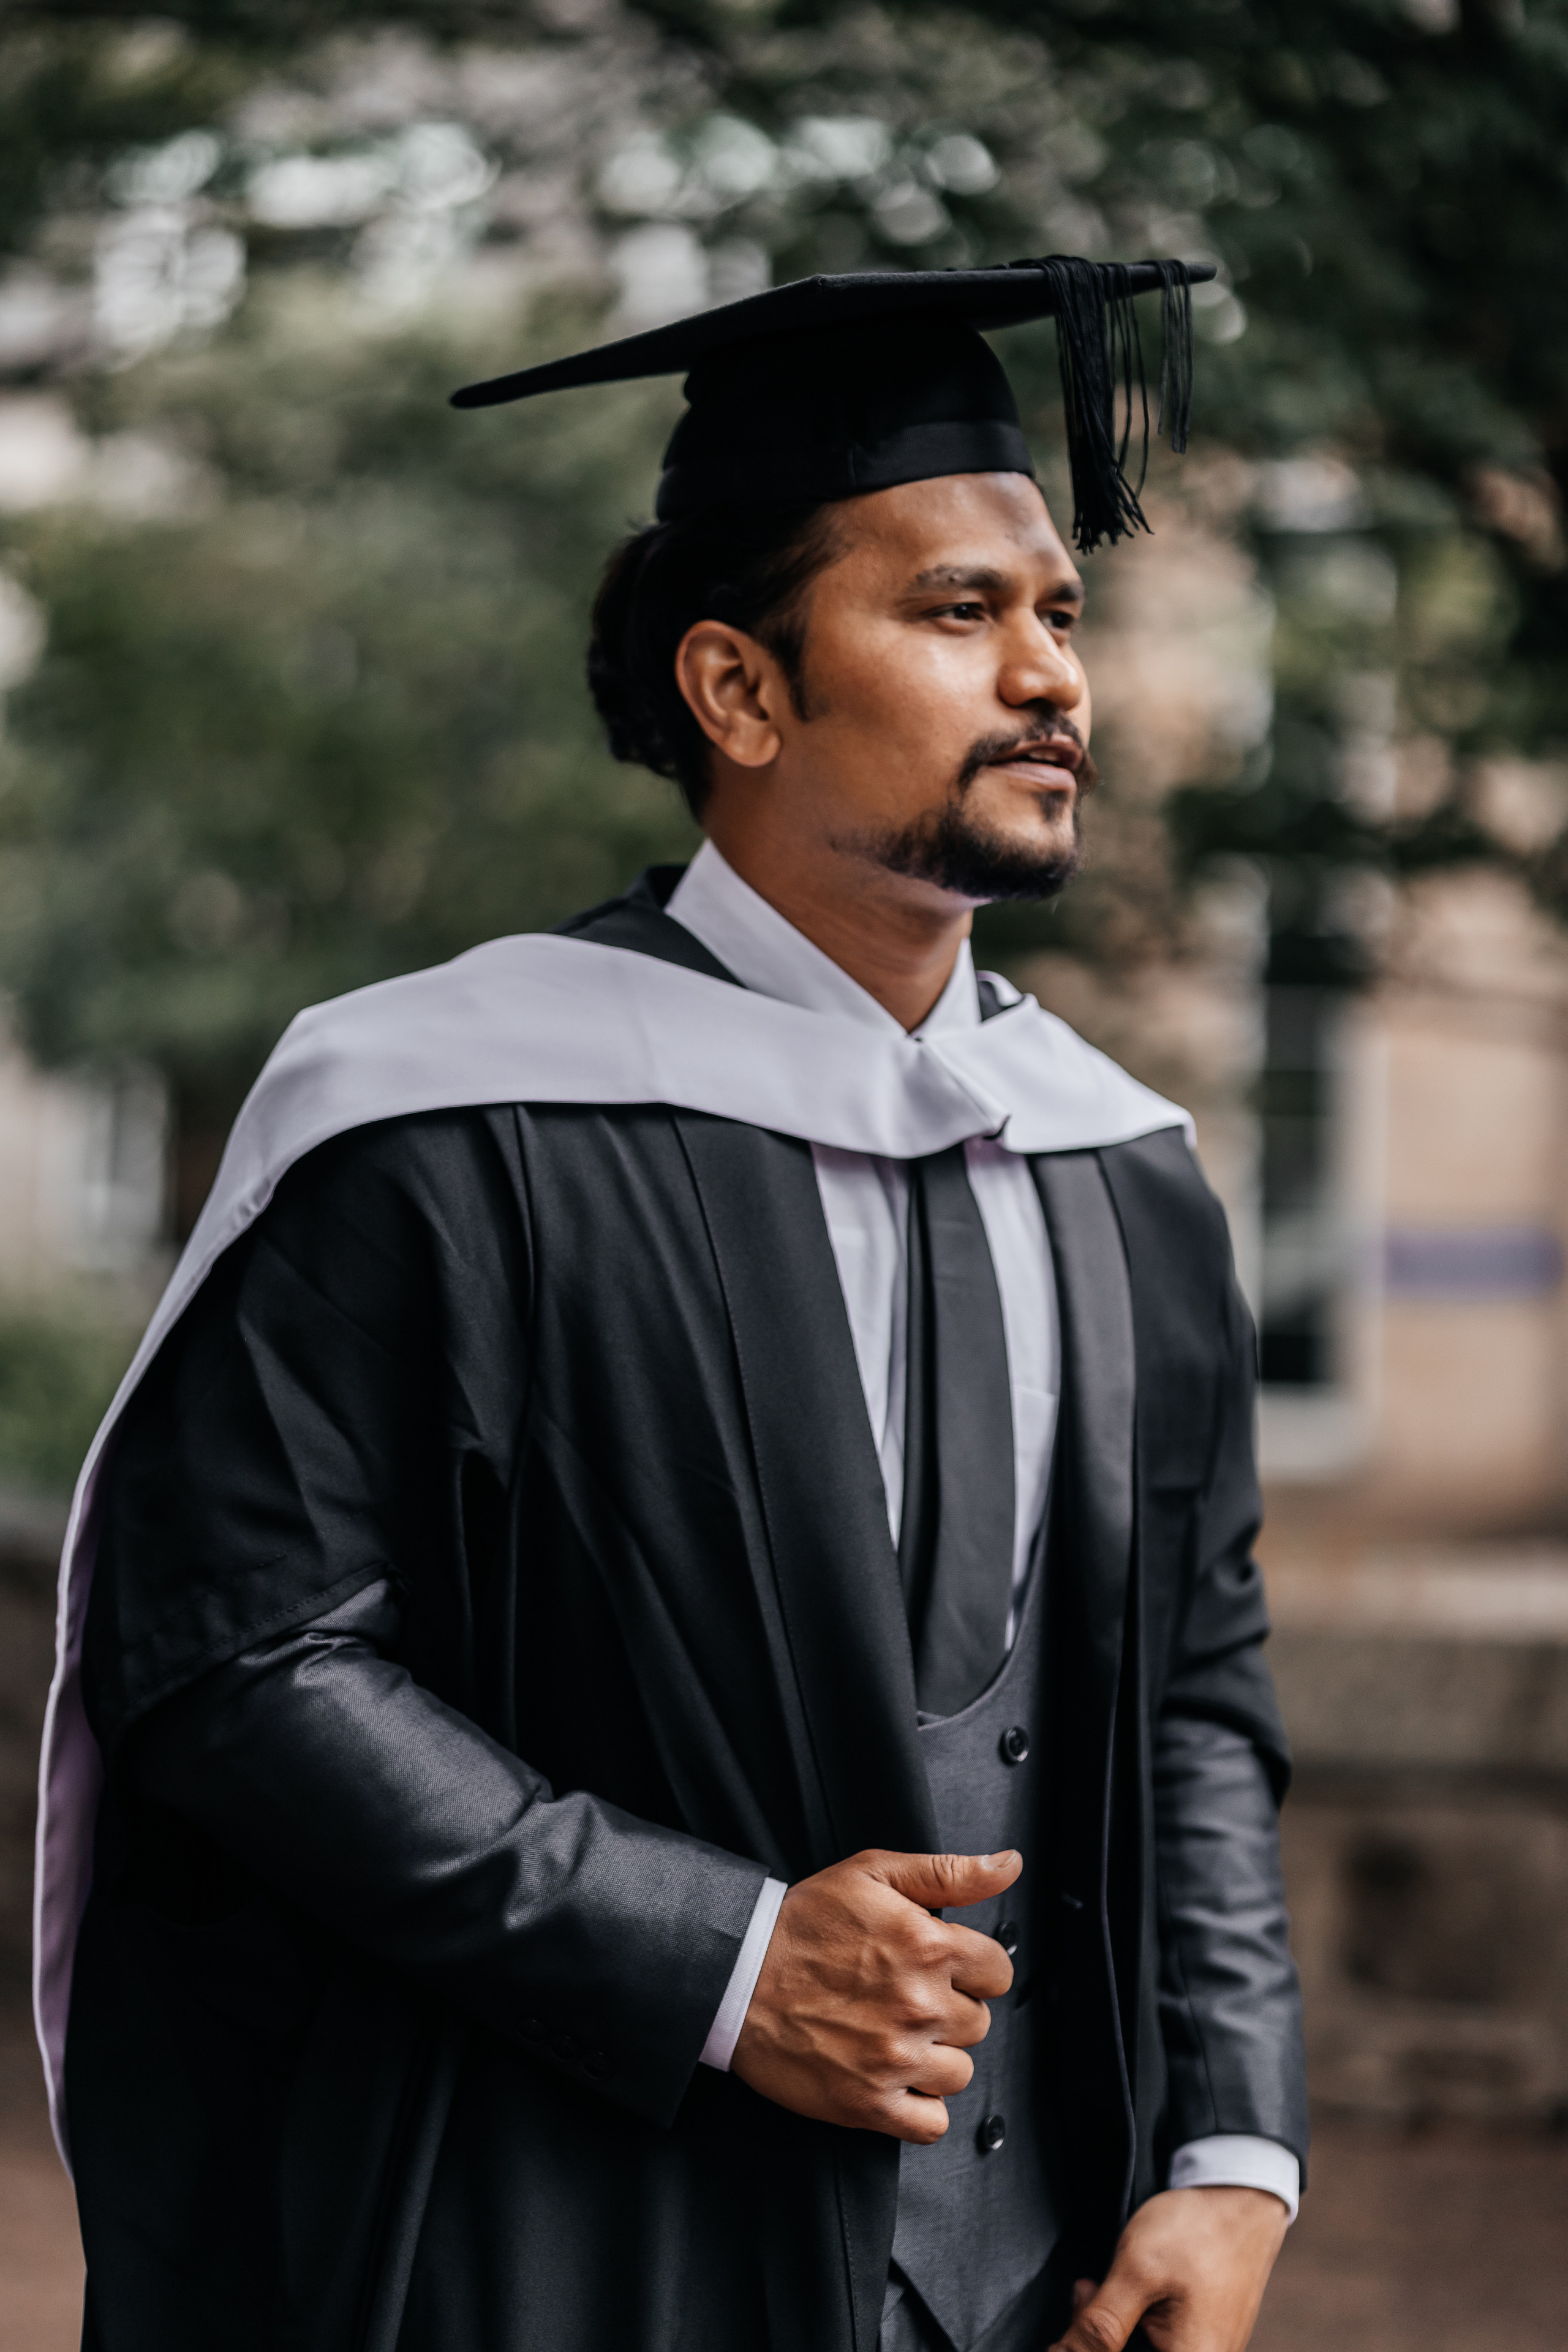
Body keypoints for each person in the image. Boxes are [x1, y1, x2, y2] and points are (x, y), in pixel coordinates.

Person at [37, 257, 1306, 2352]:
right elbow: (237, 1654)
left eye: (1060, 613)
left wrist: (1233, 2148)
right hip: (562, 2242)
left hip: (1040, 2283)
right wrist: (710, 1955)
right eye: (957, 613)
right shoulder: (444, 1118)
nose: (1051, 678)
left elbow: (1197, 1699)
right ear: (737, 691)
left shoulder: (1122, 1166)